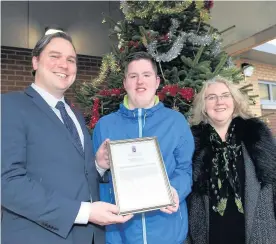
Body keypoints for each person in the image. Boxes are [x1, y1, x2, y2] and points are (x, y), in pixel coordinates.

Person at [1, 32, 132, 244]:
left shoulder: (74, 113)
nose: (64, 65)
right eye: (55, 56)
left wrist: (97, 166)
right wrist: (84, 212)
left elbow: (73, 174)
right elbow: (8, 183)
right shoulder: (9, 106)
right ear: (35, 61)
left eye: (71, 60)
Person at [93, 51, 194, 244]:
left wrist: (175, 190)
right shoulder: (105, 126)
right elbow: (95, 178)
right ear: (125, 83)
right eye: (133, 76)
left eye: (146, 75)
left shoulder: (176, 122)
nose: (140, 82)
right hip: (121, 234)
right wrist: (98, 165)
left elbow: (185, 170)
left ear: (156, 82)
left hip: (168, 233)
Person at [186, 76, 276, 244]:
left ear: (235, 101)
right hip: (209, 236)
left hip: (258, 235)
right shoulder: (191, 144)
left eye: (225, 95)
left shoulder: (256, 138)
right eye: (211, 97)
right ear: (203, 106)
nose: (219, 101)